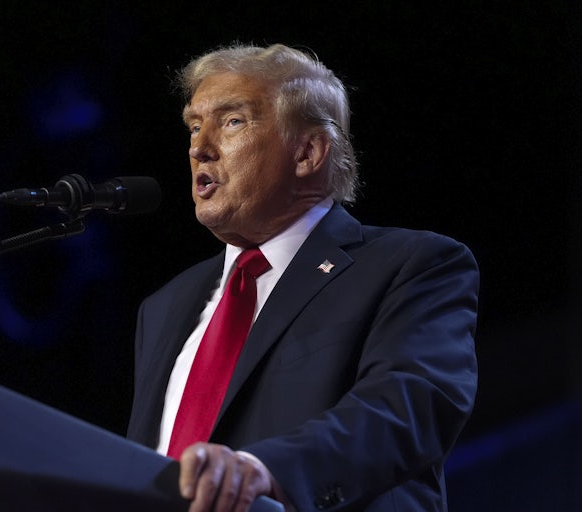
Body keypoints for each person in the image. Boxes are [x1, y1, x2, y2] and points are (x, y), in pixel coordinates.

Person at [126, 43, 479, 512]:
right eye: (194, 126)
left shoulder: (410, 266)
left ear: (308, 153)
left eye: (232, 121)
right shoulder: (164, 306)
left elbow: (405, 408)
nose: (198, 148)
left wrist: (268, 470)